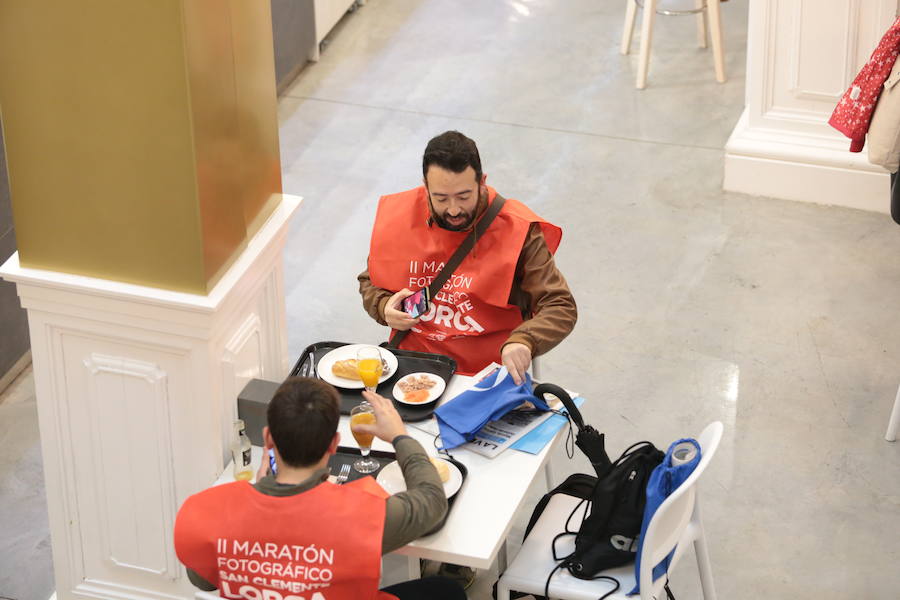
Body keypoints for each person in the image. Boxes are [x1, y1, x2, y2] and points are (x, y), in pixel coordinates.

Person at [174, 377, 466, 600]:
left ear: (268, 439)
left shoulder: (213, 514)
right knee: (446, 591)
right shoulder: (362, 515)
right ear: (333, 444)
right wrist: (400, 437)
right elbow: (431, 499)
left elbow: (202, 580)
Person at [358, 130, 577, 384]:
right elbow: (371, 280)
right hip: (412, 364)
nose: (453, 209)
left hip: (486, 373)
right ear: (425, 186)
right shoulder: (401, 216)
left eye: (464, 196)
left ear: (482, 182)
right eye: (440, 198)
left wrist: (525, 340)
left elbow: (560, 305)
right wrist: (384, 307)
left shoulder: (519, 232)